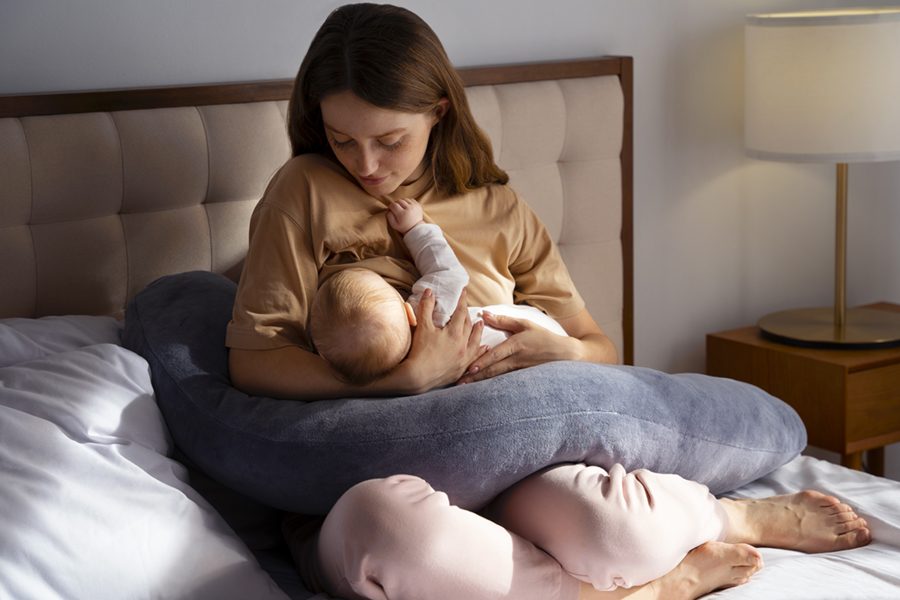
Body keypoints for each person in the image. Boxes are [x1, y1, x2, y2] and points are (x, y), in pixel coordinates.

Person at [226, 4, 872, 599]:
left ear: (439, 111)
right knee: (388, 533)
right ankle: (644, 592)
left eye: (388, 140)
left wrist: (561, 351)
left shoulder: (499, 209)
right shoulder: (304, 190)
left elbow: (600, 350)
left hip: (516, 478)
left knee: (617, 530)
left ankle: (730, 515)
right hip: (372, 482)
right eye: (343, 139)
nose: (366, 164)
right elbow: (254, 362)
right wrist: (401, 379)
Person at [309, 197, 568, 385]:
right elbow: (448, 271)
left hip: (539, 346)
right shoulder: (428, 309)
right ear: (409, 314)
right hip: (539, 332)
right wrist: (414, 228)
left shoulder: (406, 377)